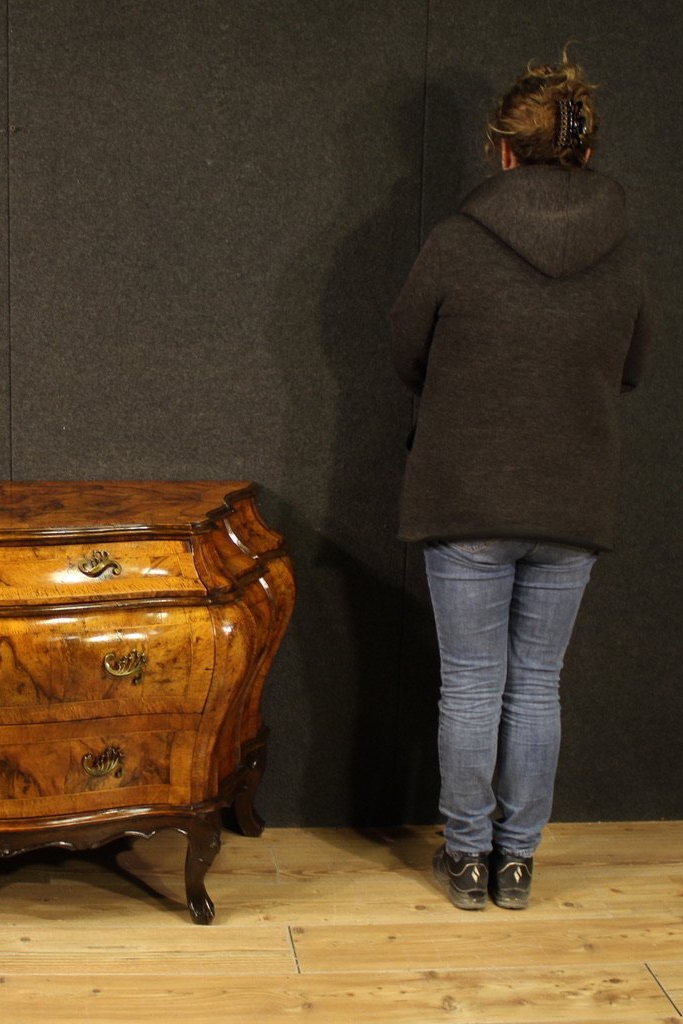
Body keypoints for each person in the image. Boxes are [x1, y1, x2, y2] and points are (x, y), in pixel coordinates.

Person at [390, 52, 652, 910]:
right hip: (573, 491)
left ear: (501, 148)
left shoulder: (458, 240)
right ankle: (516, 866)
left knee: (471, 681)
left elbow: (406, 352)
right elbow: (633, 364)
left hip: (467, 488)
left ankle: (466, 859)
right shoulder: (623, 249)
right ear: (581, 148)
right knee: (537, 681)